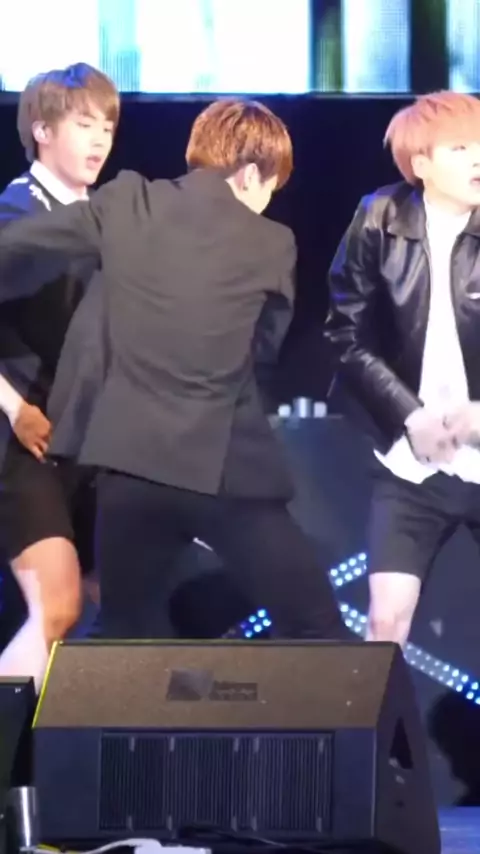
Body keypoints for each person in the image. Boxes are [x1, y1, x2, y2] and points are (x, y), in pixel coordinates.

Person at [0, 98, 347, 641]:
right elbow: (262, 350)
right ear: (250, 174)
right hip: (222, 472)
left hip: (127, 470)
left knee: (123, 634)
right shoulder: (272, 242)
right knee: (316, 626)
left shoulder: (128, 200)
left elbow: (17, 248)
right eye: (270, 188)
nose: (266, 203)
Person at [325, 90, 480, 646]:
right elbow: (344, 334)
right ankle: (380, 711)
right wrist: (410, 416)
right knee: (386, 622)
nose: (478, 160)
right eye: (461, 148)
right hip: (411, 462)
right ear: (421, 163)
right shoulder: (379, 218)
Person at [0, 62, 119, 688]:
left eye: (107, 127)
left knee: (109, 605)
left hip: (89, 444)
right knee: (57, 607)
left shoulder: (107, 219)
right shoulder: (15, 214)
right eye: (83, 124)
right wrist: (15, 407)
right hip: (23, 441)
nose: (99, 140)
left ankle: (63, 748)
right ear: (43, 132)